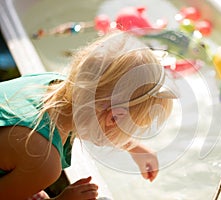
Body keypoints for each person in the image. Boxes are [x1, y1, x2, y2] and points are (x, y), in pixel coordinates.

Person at [0, 31, 175, 199]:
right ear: (113, 119)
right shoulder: (44, 162)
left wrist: (133, 147)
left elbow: (91, 115)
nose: (126, 137)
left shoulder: (52, 83)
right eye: (128, 131)